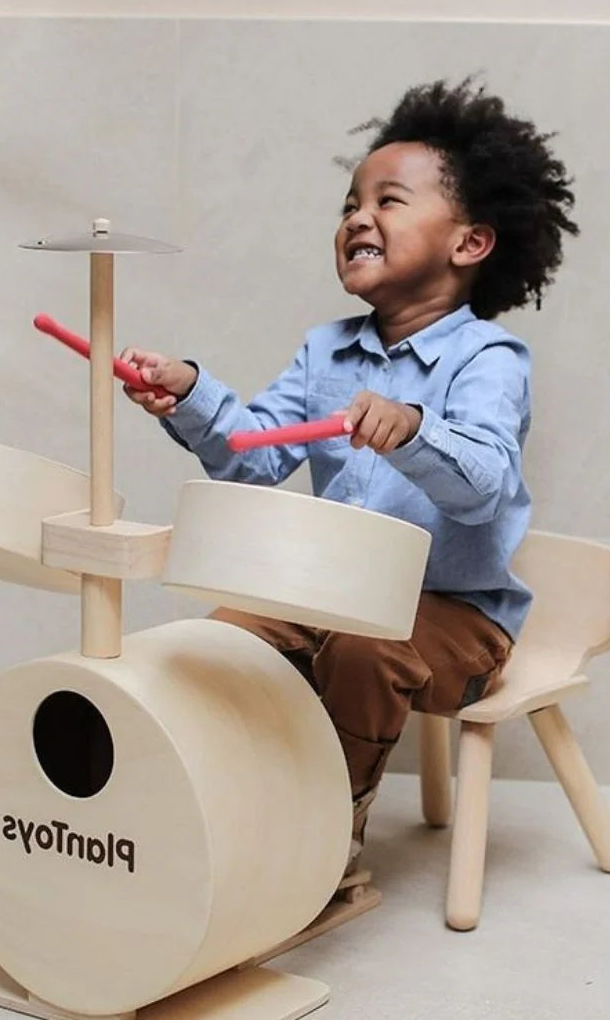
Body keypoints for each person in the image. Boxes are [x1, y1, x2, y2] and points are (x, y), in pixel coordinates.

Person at [121, 77, 579, 874]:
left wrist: (414, 431)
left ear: (469, 243)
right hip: (332, 596)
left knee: (365, 652)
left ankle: (329, 822)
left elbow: (482, 489)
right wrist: (191, 394)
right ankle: (228, 804)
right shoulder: (325, 351)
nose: (358, 216)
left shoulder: (490, 361)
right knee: (222, 638)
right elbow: (253, 459)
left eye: (390, 201)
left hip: (457, 619)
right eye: (349, 204)